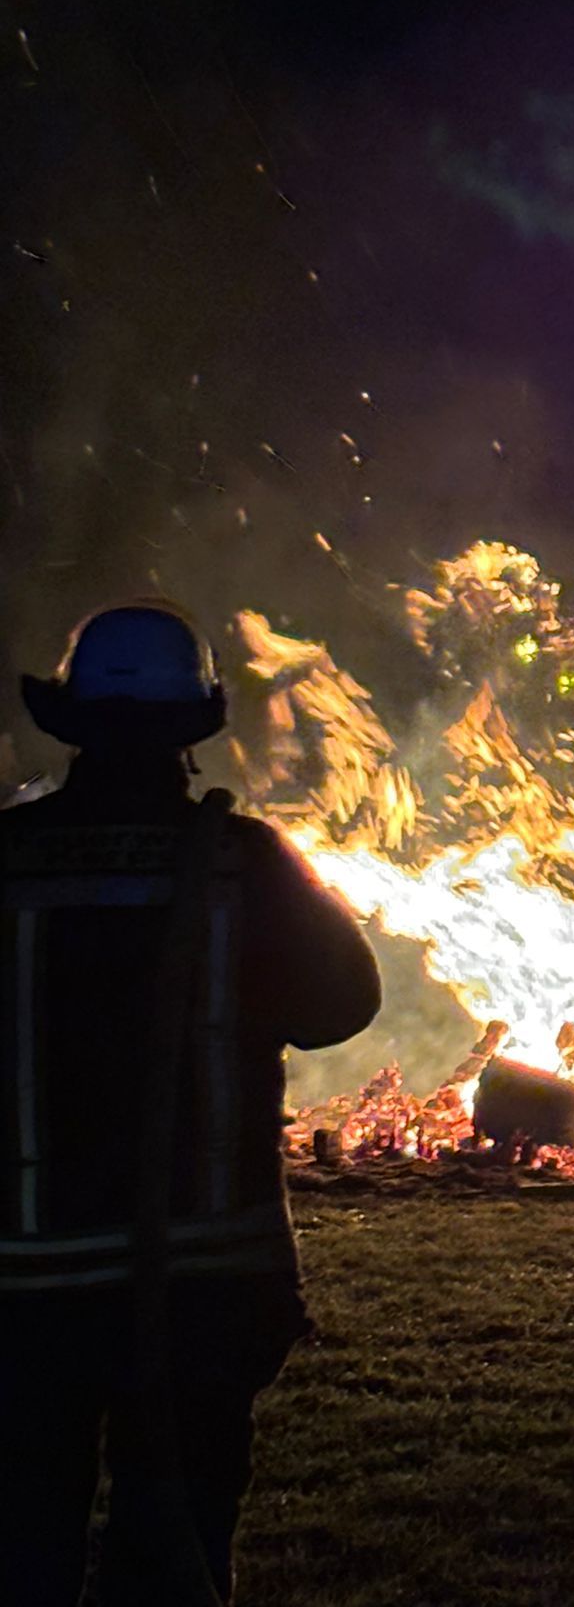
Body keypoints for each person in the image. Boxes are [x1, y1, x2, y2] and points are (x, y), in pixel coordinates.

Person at [1, 602, 382, 1606]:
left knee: (22, 1536)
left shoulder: (7, 858)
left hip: (27, 1289)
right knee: (175, 1544)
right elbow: (346, 1003)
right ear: (191, 729)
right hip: (207, 1281)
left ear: (71, 720)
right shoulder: (243, 862)